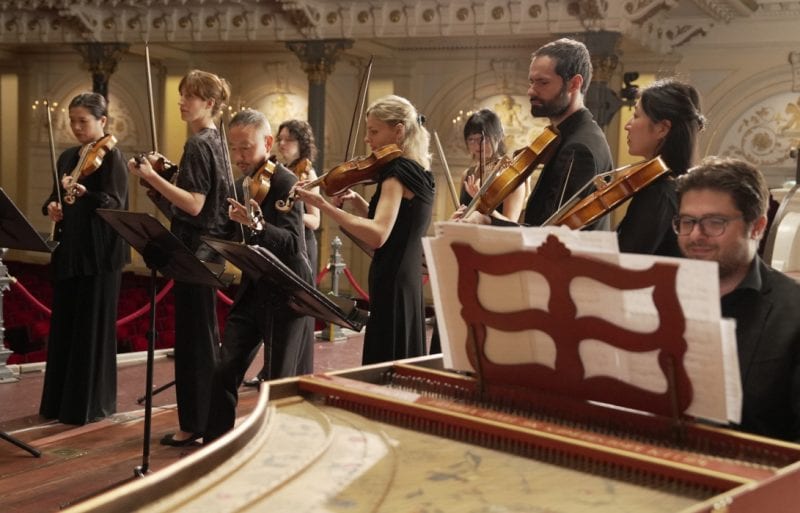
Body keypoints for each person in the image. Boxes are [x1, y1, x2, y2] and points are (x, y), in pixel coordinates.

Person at [129, 69, 232, 446]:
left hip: (194, 251)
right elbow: (193, 204)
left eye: (189, 96)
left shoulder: (198, 145)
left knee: (193, 343)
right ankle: (205, 421)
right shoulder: (216, 141)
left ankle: (195, 425)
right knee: (202, 339)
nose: (182, 102)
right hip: (209, 250)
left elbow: (192, 204)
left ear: (209, 102)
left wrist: (151, 177)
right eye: (182, 95)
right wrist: (159, 177)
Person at [293, 94, 435, 365]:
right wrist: (359, 203)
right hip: (409, 276)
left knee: (387, 360)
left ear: (399, 131)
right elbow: (402, 223)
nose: (367, 140)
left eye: (373, 131)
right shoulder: (419, 171)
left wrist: (323, 206)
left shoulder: (396, 173)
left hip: (391, 276)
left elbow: (378, 234)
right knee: (405, 360)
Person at [204, 108, 312, 443]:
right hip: (253, 289)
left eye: (245, 148)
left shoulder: (285, 182)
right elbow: (223, 230)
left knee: (277, 384)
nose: (237, 156)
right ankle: (216, 446)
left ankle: (275, 451)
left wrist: (259, 226)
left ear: (267, 142)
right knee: (223, 370)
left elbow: (294, 243)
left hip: (286, 293)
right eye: (233, 148)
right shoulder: (240, 184)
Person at [674, 156, 800, 442]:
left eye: (714, 223)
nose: (696, 235)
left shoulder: (793, 314)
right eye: (687, 221)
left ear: (757, 227)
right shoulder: (654, 294)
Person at [40, 92, 129, 425]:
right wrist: (52, 206)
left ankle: (89, 406)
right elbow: (54, 197)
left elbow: (115, 203)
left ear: (102, 122)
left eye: (84, 121)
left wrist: (86, 194)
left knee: (91, 331)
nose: (76, 127)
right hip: (70, 252)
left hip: (100, 256)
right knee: (65, 328)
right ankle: (59, 403)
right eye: (72, 120)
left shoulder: (113, 158)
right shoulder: (66, 157)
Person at [462, 38, 612, 228]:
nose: (531, 91)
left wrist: (488, 220)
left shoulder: (579, 148)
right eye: (532, 82)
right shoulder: (566, 137)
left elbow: (552, 234)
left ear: (574, 84)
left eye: (542, 82)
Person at [243, 119, 320, 387]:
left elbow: (316, 220)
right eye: (281, 138)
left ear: (302, 144)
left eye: (289, 139)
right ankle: (269, 369)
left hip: (301, 244)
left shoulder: (306, 174)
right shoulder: (275, 172)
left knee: (292, 314)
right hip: (277, 237)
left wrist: (285, 218)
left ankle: (293, 372)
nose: (283, 144)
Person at [617, 79, 705, 256]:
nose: (627, 126)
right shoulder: (677, 187)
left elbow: (625, 265)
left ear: (662, 129)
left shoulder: (658, 193)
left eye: (635, 116)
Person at [459, 109, 524, 221]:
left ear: (498, 137)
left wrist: (482, 202)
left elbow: (511, 224)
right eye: (471, 139)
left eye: (482, 139)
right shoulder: (467, 175)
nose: (477, 145)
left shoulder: (509, 175)